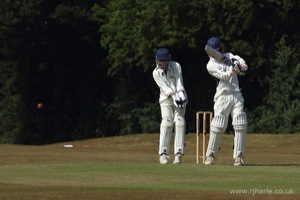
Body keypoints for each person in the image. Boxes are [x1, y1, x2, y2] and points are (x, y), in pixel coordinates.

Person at [204, 37, 248, 166]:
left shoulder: (228, 56)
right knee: (218, 125)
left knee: (240, 123)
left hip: (236, 94)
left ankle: (239, 157)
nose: (219, 52)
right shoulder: (210, 65)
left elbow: (239, 61)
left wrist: (242, 65)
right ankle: (210, 155)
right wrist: (232, 70)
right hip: (222, 96)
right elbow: (223, 76)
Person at [152, 48, 188, 164]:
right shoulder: (156, 73)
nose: (163, 63)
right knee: (167, 122)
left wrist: (180, 95)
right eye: (160, 61)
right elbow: (165, 88)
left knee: (179, 121)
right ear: (157, 61)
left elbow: (179, 82)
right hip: (166, 100)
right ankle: (163, 154)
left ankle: (178, 154)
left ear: (169, 59)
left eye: (165, 60)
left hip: (180, 96)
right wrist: (173, 96)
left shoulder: (176, 66)